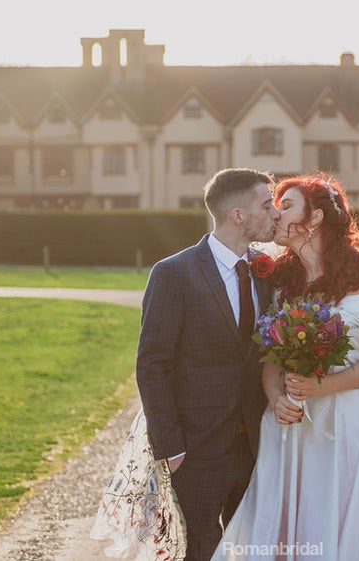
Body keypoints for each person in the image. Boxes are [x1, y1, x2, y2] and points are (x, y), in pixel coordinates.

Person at [213, 174, 359, 560]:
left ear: (317, 217)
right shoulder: (278, 278)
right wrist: (276, 400)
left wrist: (321, 387)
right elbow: (270, 360)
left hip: (349, 426)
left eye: (286, 205)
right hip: (290, 431)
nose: (276, 212)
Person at [91, 168, 282, 561]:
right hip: (195, 451)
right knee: (196, 550)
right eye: (267, 205)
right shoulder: (174, 273)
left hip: (255, 446)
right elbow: (152, 365)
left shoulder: (267, 274)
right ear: (238, 215)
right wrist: (171, 448)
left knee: (250, 549)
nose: (275, 213)